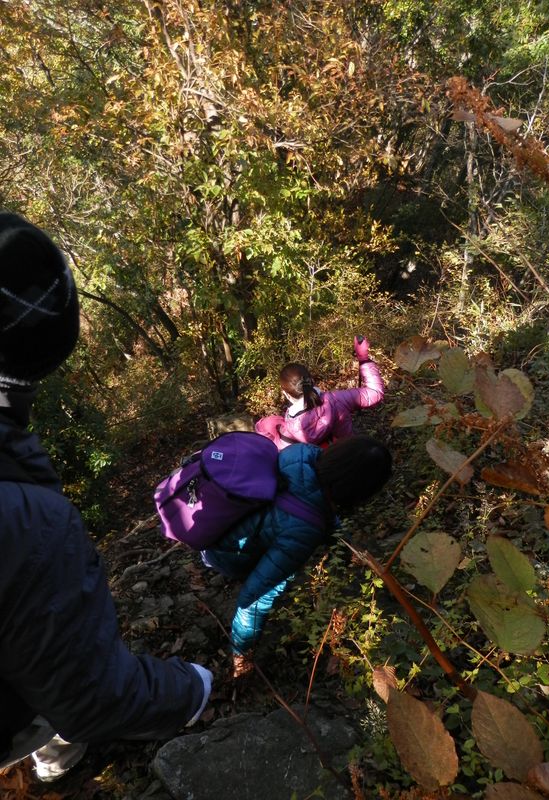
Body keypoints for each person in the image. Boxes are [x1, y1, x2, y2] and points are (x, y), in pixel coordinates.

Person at [0, 212, 212, 783]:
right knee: (55, 704)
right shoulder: (30, 524)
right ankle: (54, 766)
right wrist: (195, 687)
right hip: (29, 709)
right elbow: (92, 693)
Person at [200, 435, 393, 677]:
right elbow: (254, 600)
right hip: (223, 554)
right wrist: (242, 657)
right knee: (268, 583)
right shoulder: (302, 531)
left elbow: (318, 506)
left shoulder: (301, 454)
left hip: (220, 527)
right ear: (357, 492)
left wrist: (346, 548)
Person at [255, 336, 385, 450]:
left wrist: (262, 426)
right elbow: (375, 393)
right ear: (311, 381)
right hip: (347, 459)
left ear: (286, 394)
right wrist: (364, 359)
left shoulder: (285, 431)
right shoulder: (336, 400)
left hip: (322, 474)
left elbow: (271, 451)